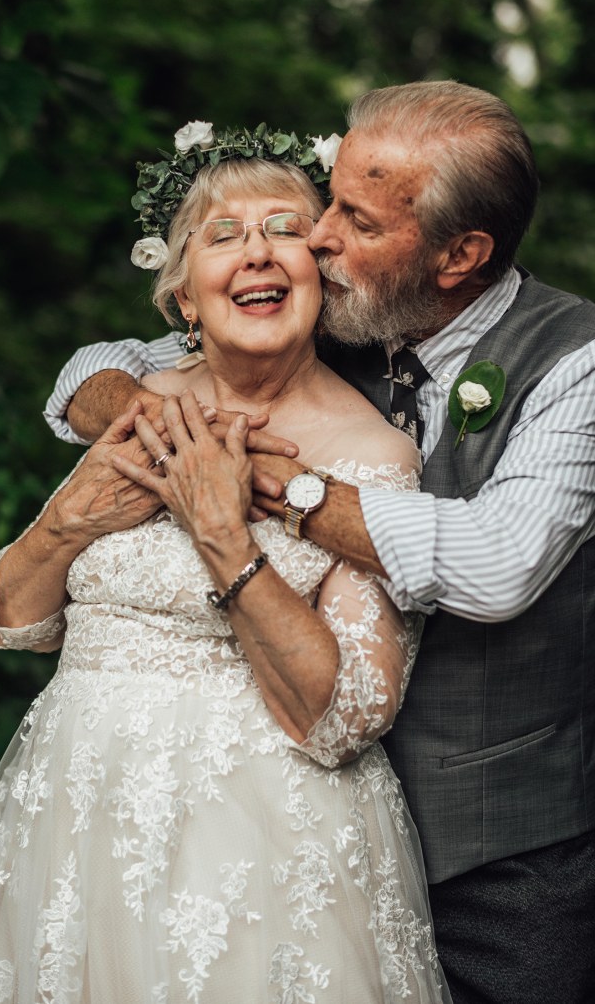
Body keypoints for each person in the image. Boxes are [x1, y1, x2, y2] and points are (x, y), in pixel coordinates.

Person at [47, 84, 595, 1004]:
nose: (321, 235)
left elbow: (497, 564)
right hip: (296, 819)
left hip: (502, 858)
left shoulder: (577, 362)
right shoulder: (337, 313)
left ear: (461, 255)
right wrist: (157, 423)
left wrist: (269, 484)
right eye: (330, 199)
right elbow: (96, 370)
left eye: (356, 217)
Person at [0, 131, 452, 1004]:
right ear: (183, 294)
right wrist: (63, 523)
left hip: (261, 842)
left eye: (284, 229)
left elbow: (343, 717)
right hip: (74, 817)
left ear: (323, 275)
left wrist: (226, 536)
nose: (257, 251)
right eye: (222, 234)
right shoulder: (136, 415)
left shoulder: (374, 456)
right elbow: (15, 619)